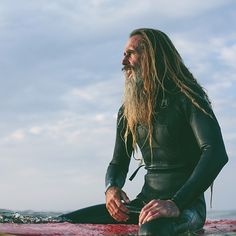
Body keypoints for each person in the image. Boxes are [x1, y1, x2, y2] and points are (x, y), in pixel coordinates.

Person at [61, 28, 228, 236]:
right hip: (144, 204)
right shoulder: (128, 110)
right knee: (63, 222)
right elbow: (118, 162)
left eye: (130, 54)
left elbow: (215, 152)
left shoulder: (188, 97)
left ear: (151, 56)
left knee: (151, 232)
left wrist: (175, 203)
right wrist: (111, 188)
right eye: (124, 55)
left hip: (186, 206)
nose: (123, 63)